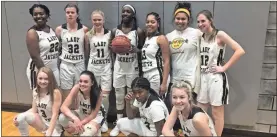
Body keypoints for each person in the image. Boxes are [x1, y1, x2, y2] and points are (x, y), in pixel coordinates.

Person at [196, 10, 245, 136]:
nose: (200, 24)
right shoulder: (199, 36)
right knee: (200, 111)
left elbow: (239, 50)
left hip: (216, 78)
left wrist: (224, 68)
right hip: (202, 77)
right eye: (198, 22)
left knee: (217, 113)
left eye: (203, 21)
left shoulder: (220, 34)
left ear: (210, 21)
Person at [164, 2, 202, 133]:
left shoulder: (196, 33)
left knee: (190, 114)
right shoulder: (169, 36)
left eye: (183, 19)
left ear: (188, 20)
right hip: (175, 81)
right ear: (174, 19)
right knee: (176, 111)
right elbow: (166, 60)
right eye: (178, 18)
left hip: (191, 80)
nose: (180, 21)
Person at [110, 4, 145, 135]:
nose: (125, 13)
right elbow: (111, 49)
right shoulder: (115, 31)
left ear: (133, 15)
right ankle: (118, 124)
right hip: (119, 68)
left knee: (132, 96)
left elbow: (144, 50)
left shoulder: (139, 32)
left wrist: (136, 50)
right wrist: (114, 48)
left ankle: (131, 123)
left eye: (128, 12)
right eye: (123, 11)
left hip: (133, 69)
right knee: (119, 97)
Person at [14, 67, 63, 136]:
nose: (43, 81)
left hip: (54, 125)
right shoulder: (35, 91)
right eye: (40, 78)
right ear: (36, 79)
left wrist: (49, 131)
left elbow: (55, 114)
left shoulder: (55, 92)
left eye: (46, 79)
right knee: (20, 117)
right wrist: (18, 116)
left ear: (50, 80)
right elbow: (34, 110)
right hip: (42, 122)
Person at [55, 3, 89, 104]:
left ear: (77, 15)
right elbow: (58, 47)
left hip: (79, 64)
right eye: (68, 12)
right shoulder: (59, 29)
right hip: (66, 64)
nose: (70, 14)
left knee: (80, 92)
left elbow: (87, 49)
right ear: (65, 14)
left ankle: (79, 114)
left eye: (72, 12)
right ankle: (68, 115)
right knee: (66, 93)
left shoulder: (84, 29)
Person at [85, 10, 111, 133]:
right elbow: (86, 52)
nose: (97, 22)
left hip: (106, 67)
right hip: (93, 67)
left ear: (103, 20)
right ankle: (94, 118)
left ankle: (104, 120)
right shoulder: (88, 35)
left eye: (99, 19)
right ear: (92, 21)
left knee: (105, 97)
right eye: (94, 20)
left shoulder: (110, 34)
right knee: (93, 95)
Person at [58, 71, 105, 136]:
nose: (82, 84)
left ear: (92, 83)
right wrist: (75, 118)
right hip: (81, 113)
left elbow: (93, 115)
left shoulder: (98, 93)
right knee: (62, 118)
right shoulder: (76, 88)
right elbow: (63, 107)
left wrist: (79, 123)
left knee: (86, 134)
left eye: (86, 82)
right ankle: (76, 132)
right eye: (80, 81)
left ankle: (95, 129)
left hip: (95, 117)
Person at [26, 4, 60, 90]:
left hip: (53, 68)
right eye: (35, 14)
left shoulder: (51, 29)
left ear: (47, 15)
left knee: (55, 94)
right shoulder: (32, 33)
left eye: (41, 14)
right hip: (39, 70)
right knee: (41, 98)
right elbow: (35, 57)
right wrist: (45, 74)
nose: (38, 16)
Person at [141, 12, 170, 97]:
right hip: (146, 73)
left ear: (158, 24)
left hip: (157, 74)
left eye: (152, 22)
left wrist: (164, 83)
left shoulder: (161, 38)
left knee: (156, 103)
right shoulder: (147, 38)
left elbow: (167, 61)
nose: (149, 24)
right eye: (147, 22)